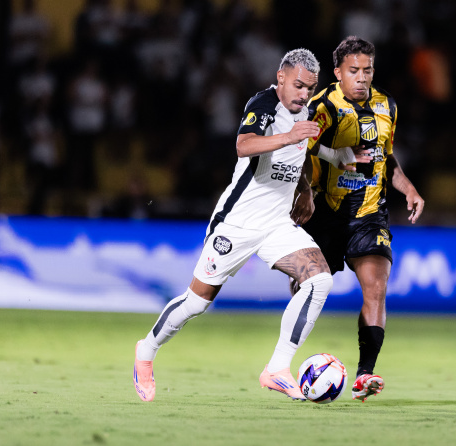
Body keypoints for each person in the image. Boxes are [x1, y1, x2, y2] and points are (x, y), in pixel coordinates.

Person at [132, 48, 333, 402]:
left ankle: (277, 369)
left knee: (319, 279)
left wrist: (305, 190)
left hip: (277, 224)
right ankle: (146, 351)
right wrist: (289, 136)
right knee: (197, 303)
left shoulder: (306, 112)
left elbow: (298, 154)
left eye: (310, 88)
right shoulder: (264, 104)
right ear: (281, 77)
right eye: (299, 85)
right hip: (236, 223)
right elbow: (244, 145)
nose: (304, 94)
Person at [294, 36, 425, 402]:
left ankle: (365, 374)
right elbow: (298, 149)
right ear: (338, 72)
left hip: (369, 214)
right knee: (306, 289)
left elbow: (386, 156)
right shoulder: (323, 106)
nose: (362, 77)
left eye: (367, 70)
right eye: (354, 70)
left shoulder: (387, 105)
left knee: (376, 286)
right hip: (325, 212)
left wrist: (408, 188)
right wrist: (304, 191)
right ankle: (283, 362)